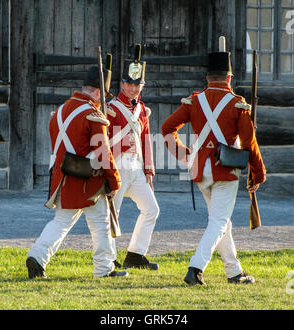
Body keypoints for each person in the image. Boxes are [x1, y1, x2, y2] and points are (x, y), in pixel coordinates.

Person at [162, 49, 266, 285]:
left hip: (200, 170)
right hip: (225, 171)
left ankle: (234, 272)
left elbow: (167, 128)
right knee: (219, 222)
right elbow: (250, 143)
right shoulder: (238, 105)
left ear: (207, 78)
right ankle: (195, 268)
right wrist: (258, 173)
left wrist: (183, 155)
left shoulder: (194, 101)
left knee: (221, 222)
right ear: (229, 78)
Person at [26, 64, 128, 279]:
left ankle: (37, 255)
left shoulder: (60, 111)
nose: (104, 101)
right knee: (101, 223)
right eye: (104, 96)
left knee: (61, 222)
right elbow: (103, 152)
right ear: (98, 92)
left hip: (63, 178)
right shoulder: (93, 114)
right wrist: (115, 181)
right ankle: (104, 269)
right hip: (87, 182)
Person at [106, 44, 160, 270]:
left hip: (136, 166)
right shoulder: (110, 107)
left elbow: (146, 139)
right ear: (122, 84)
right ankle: (107, 258)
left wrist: (149, 170)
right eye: (130, 84)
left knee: (151, 209)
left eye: (138, 85)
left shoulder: (142, 110)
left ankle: (135, 255)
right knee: (111, 213)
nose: (134, 89)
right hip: (117, 165)